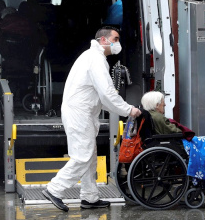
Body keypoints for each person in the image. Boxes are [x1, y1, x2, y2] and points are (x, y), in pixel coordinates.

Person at [42, 26, 142, 212]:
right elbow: (107, 93)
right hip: (80, 113)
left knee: (90, 156)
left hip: (82, 112)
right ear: (104, 40)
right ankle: (54, 189)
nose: (118, 43)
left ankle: (90, 197)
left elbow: (100, 96)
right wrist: (129, 110)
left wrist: (123, 108)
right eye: (116, 38)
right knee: (83, 156)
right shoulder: (95, 59)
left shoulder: (93, 57)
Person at [140, 91, 205, 191]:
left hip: (163, 143)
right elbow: (174, 131)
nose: (164, 104)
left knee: (203, 141)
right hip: (174, 144)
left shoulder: (151, 115)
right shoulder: (158, 117)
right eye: (162, 102)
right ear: (156, 105)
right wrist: (182, 131)